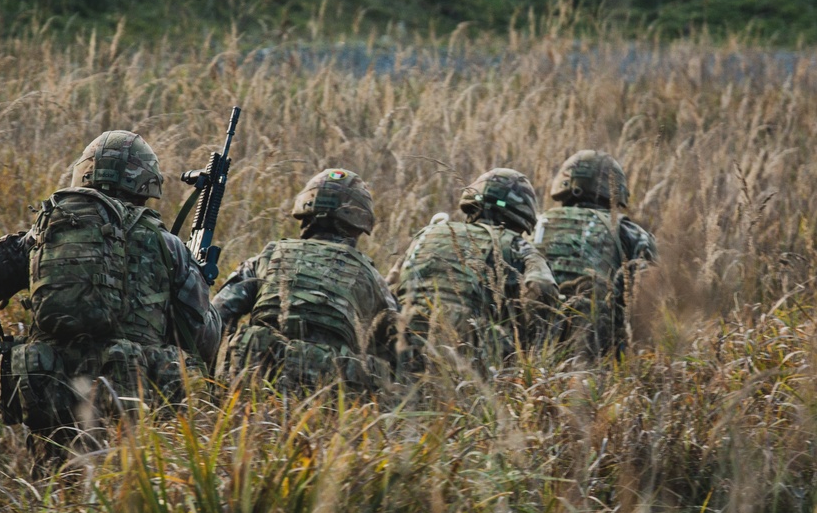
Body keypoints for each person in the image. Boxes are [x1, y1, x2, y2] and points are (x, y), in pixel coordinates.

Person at [0, 130, 221, 460]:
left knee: (58, 507)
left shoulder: (39, 239)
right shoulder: (168, 247)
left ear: (85, 174)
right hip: (136, 423)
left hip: (53, 406)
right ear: (145, 184)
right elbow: (203, 342)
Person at [212, 168, 397, 388]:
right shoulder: (370, 275)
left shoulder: (268, 256)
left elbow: (216, 318)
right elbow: (399, 346)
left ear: (305, 213)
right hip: (328, 396)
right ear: (357, 223)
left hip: (253, 385)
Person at [390, 168, 559, 374]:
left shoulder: (428, 233)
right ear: (522, 213)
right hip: (468, 358)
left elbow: (390, 287)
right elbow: (542, 287)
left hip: (402, 347)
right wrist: (530, 343)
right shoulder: (516, 244)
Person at [532, 150, 658, 360]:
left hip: (532, 345)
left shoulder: (535, 224)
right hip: (596, 351)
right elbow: (650, 299)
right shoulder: (630, 232)